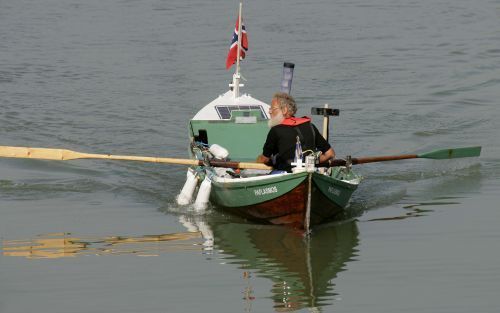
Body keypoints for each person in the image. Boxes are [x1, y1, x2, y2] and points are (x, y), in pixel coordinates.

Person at [256, 92, 335, 172]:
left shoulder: (275, 131)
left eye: (273, 109)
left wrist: (257, 161)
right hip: (310, 171)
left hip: (287, 174)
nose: (270, 112)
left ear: (284, 110)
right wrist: (313, 162)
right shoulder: (311, 126)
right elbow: (330, 154)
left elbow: (264, 159)